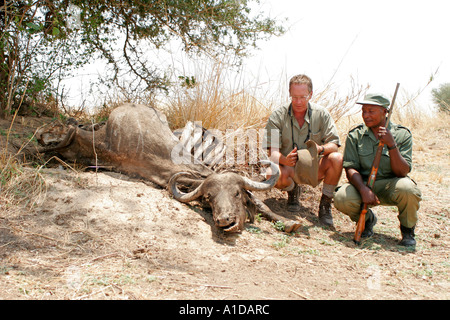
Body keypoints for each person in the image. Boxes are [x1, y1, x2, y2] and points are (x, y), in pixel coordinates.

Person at [333, 93, 422, 246]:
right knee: (341, 197)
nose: (366, 115)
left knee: (408, 189)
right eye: (363, 111)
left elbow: (402, 172)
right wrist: (363, 189)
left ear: (385, 112)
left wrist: (391, 144)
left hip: (392, 185)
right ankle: (367, 221)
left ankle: (408, 231)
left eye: (371, 111)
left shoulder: (402, 134)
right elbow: (350, 168)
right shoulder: (356, 135)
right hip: (365, 185)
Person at [264, 74, 343, 227]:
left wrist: (320, 149)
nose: (298, 102)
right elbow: (273, 153)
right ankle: (292, 190)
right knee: (270, 172)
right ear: (289, 94)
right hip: (289, 168)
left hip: (314, 167)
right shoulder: (277, 116)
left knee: (337, 159)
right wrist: (285, 160)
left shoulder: (322, 114)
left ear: (310, 95)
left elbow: (334, 144)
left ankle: (325, 205)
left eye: (302, 97)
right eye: (294, 97)